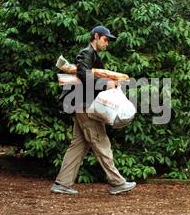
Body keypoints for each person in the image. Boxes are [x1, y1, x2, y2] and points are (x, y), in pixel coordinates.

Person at [51, 25, 136, 195]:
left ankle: (62, 183)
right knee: (101, 142)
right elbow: (83, 76)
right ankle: (117, 182)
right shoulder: (86, 53)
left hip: (83, 105)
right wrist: (106, 84)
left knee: (78, 145)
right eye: (105, 39)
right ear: (96, 36)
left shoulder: (93, 55)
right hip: (86, 106)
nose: (107, 43)